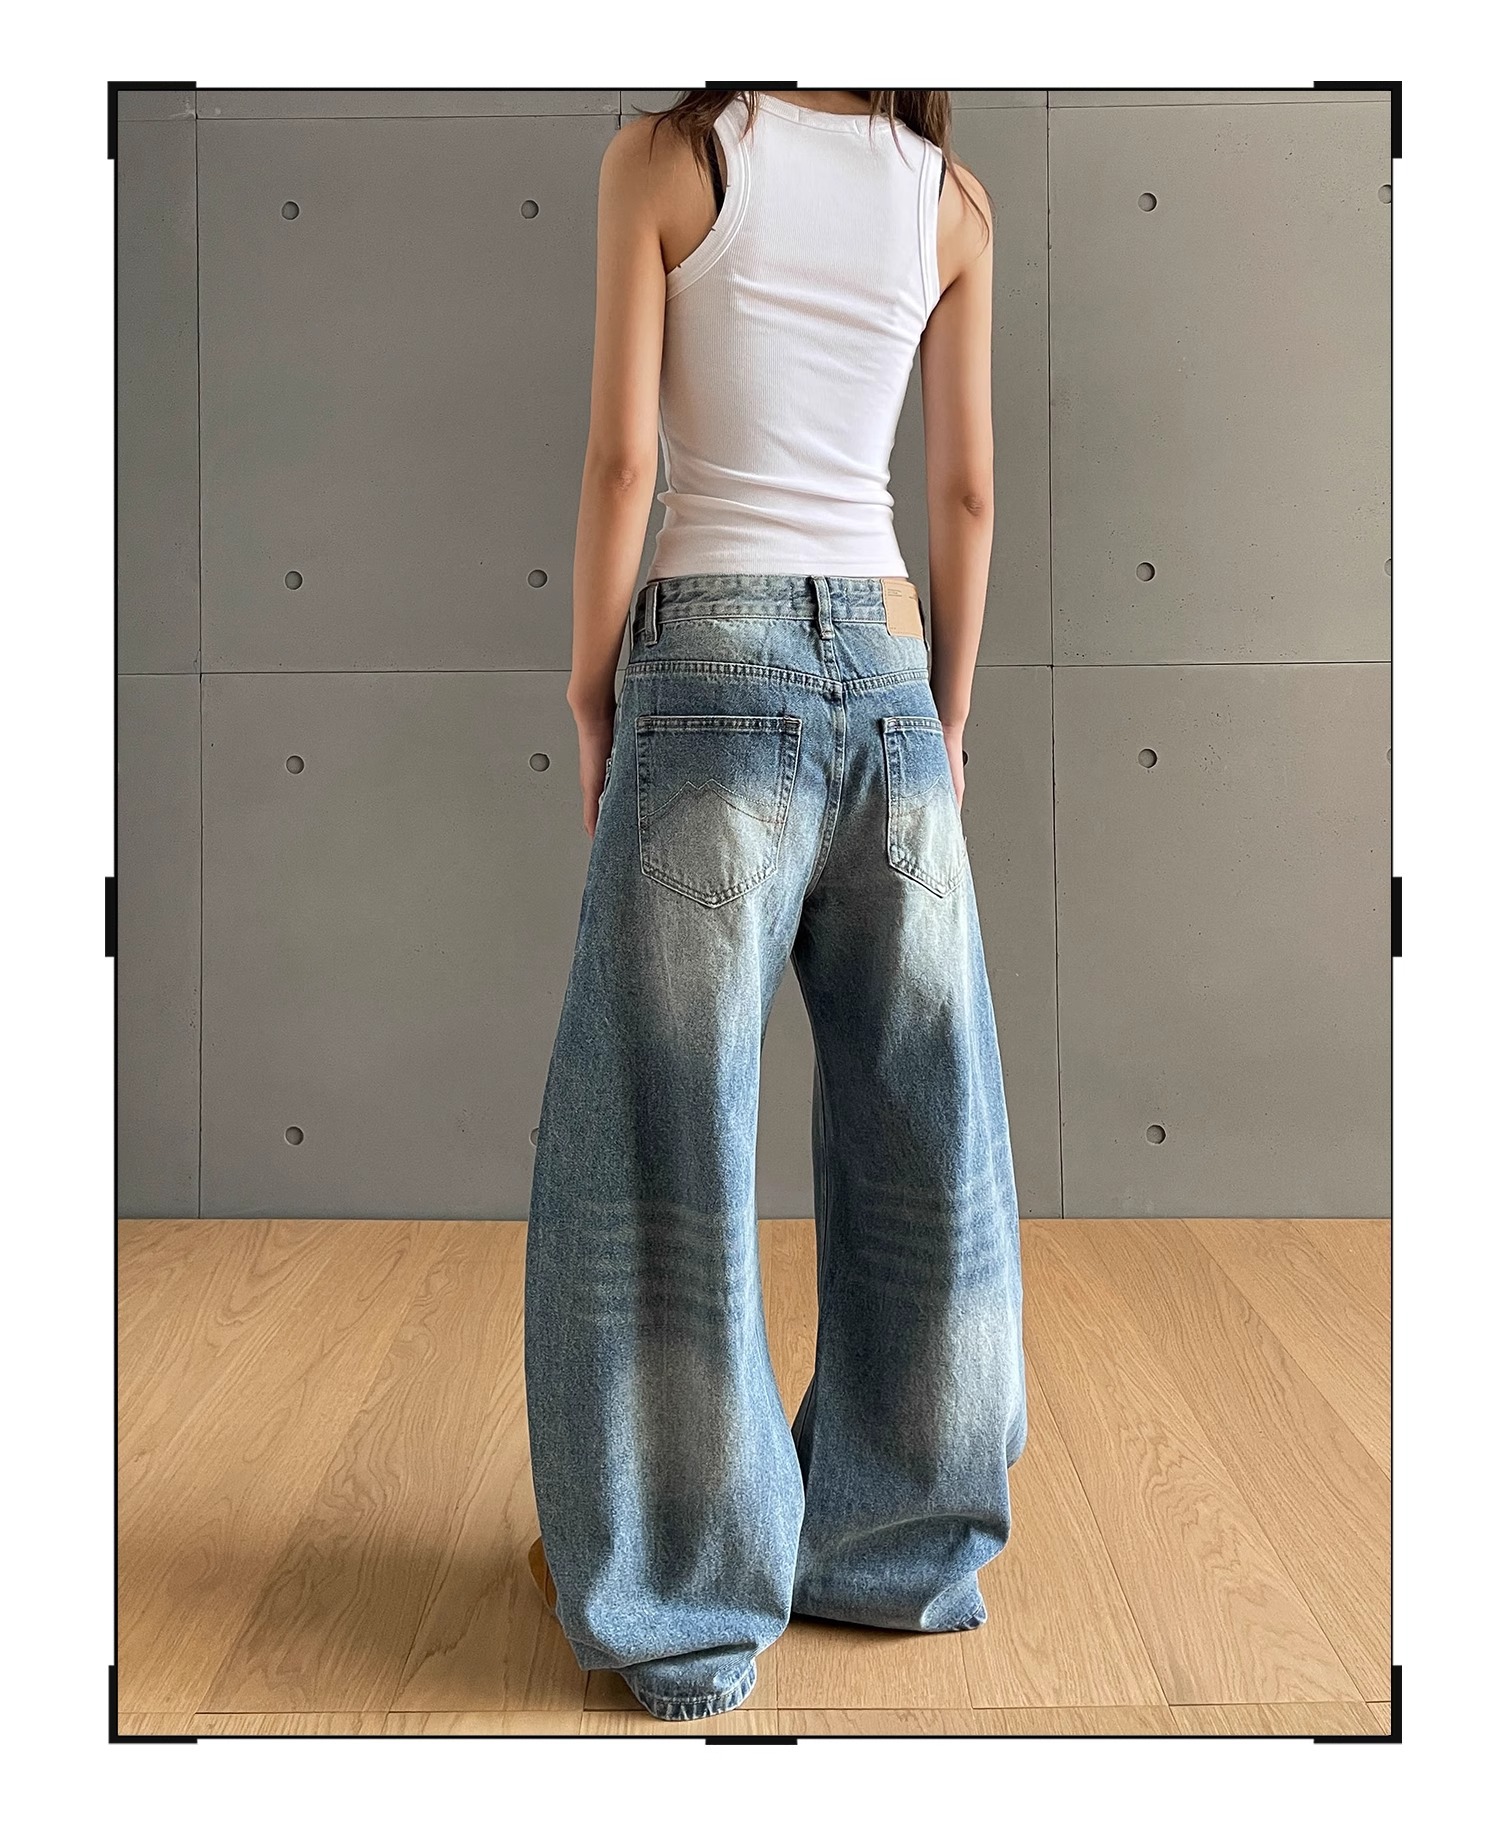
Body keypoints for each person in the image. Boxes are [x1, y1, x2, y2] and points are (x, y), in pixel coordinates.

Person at [523, 87, 1027, 1724]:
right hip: (889, 665)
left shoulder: (675, 159)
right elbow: (964, 495)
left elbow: (625, 459)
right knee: (926, 1119)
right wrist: (943, 712)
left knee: (661, 1136)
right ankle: (896, 1543)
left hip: (708, 664)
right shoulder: (948, 198)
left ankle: (682, 1594)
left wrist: (592, 690)